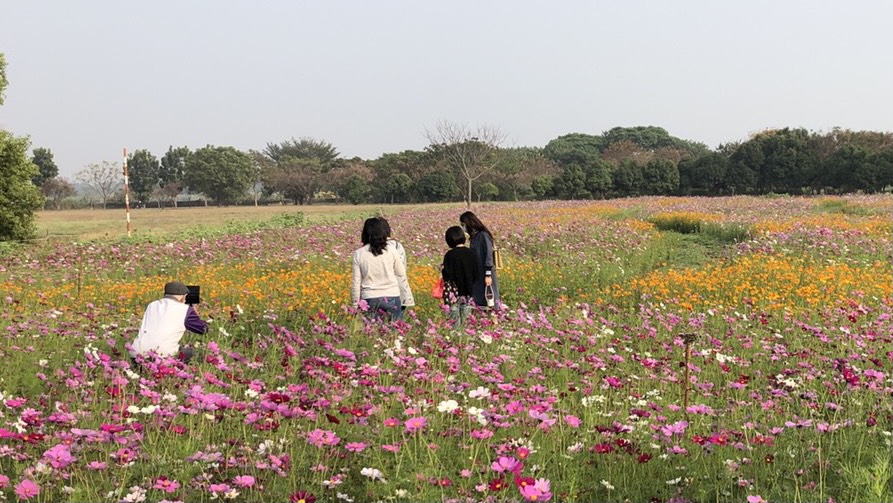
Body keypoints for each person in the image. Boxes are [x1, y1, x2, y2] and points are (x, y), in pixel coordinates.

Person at [351, 218, 414, 320]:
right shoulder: (392, 250)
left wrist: (355, 304)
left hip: (369, 298)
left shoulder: (359, 253)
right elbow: (401, 272)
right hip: (392, 296)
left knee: (373, 332)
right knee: (394, 331)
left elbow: (356, 282)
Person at [130, 281, 208, 363]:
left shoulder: (152, 305)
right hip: (163, 356)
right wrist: (194, 311)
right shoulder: (184, 309)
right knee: (195, 354)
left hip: (136, 354)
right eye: (185, 297)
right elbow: (203, 329)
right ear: (183, 296)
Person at [459, 211, 500, 309]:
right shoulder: (474, 237)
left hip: (485, 272)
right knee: (479, 301)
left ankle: (495, 320)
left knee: (490, 299)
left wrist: (488, 274)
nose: (463, 228)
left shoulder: (483, 235)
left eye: (463, 225)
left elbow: (488, 256)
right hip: (477, 273)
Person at [441, 225, 480, 327]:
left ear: (449, 240)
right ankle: (464, 340)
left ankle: (455, 340)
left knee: (454, 324)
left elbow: (447, 276)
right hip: (468, 292)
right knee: (466, 324)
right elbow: (476, 273)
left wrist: (442, 270)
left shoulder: (449, 255)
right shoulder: (471, 253)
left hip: (453, 293)